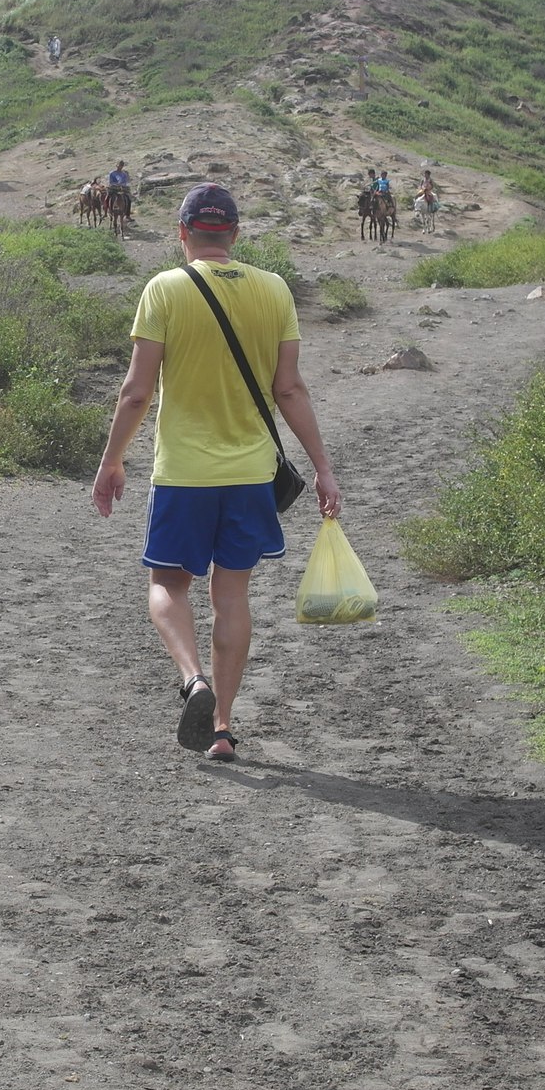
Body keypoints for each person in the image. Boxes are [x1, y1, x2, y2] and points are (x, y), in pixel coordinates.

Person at [92, 183, 341, 763]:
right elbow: (289, 389)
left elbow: (136, 393)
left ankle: (192, 680)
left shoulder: (165, 289)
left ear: (182, 234)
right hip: (252, 474)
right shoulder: (274, 289)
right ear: (234, 233)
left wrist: (111, 461)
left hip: (183, 473)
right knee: (232, 597)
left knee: (166, 585)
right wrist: (324, 469)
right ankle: (223, 728)